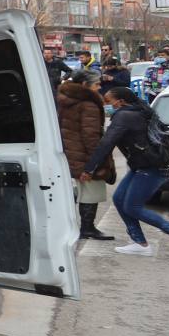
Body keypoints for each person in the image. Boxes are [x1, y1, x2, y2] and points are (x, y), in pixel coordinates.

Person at [84, 87, 169, 261]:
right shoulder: (141, 111)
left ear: (121, 101)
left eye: (109, 101)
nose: (107, 105)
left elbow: (107, 143)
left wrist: (89, 169)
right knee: (119, 199)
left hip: (152, 168)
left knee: (133, 206)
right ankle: (139, 243)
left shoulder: (124, 116)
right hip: (143, 166)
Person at [56, 72, 118, 242]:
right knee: (92, 191)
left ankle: (79, 227)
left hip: (70, 152)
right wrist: (96, 161)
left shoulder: (65, 99)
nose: (99, 87)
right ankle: (87, 228)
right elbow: (91, 136)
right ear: (85, 84)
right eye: (96, 84)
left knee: (81, 191)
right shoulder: (87, 104)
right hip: (84, 155)